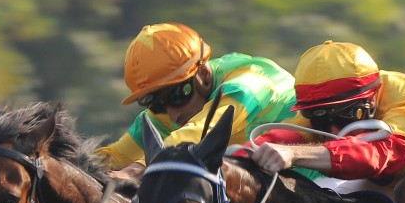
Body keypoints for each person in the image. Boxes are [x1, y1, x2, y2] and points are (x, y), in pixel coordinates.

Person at [97, 23, 297, 177]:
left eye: (176, 96)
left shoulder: (247, 84)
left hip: (313, 184)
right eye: (157, 104)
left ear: (203, 73)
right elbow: (116, 157)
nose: (172, 115)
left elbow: (197, 132)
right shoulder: (169, 111)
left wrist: (136, 170)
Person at [246, 40, 405, 185]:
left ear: (371, 98)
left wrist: (295, 154)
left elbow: (382, 154)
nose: (335, 130)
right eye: (321, 119)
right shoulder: (329, 106)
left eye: (343, 116)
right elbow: (279, 138)